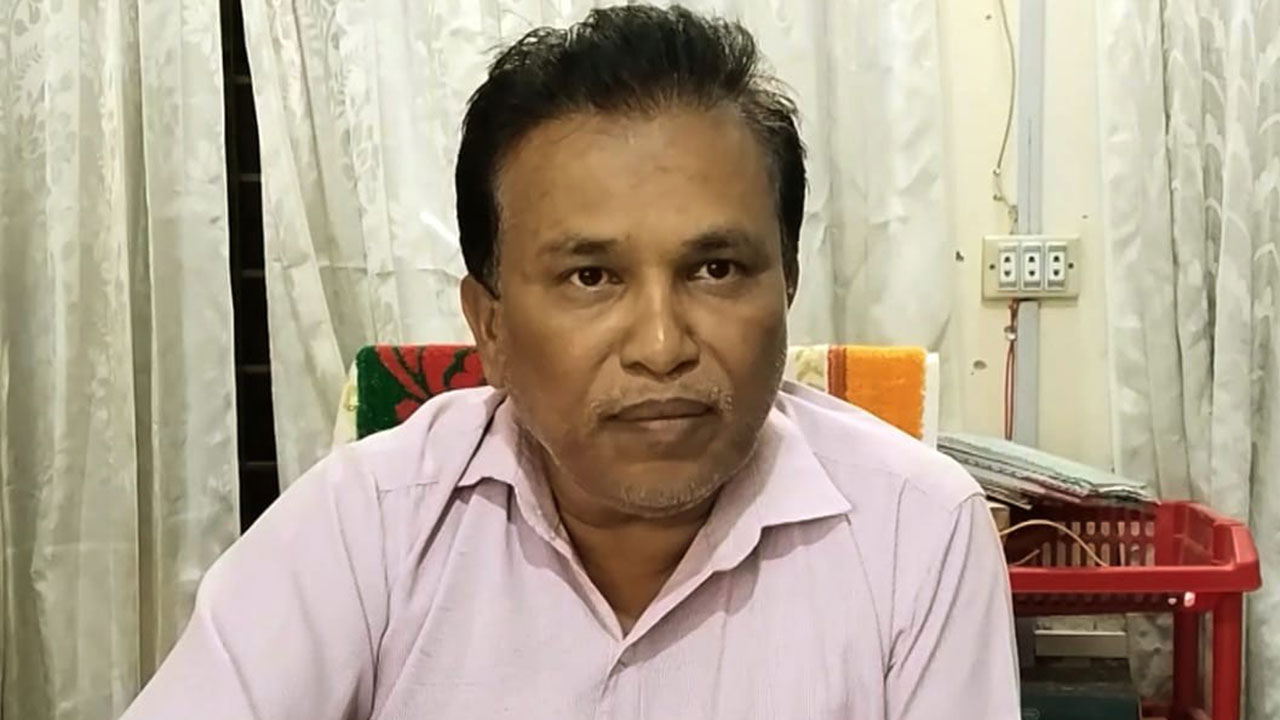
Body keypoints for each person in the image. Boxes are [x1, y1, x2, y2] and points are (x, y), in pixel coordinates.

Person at [122, 5, 1019, 719]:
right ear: (491, 328)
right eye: (592, 277)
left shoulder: (915, 533)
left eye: (715, 268)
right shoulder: (370, 524)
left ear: (787, 284)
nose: (662, 347)